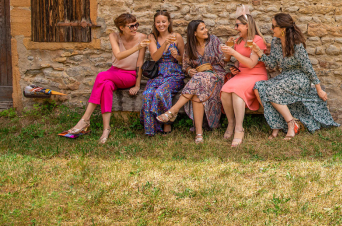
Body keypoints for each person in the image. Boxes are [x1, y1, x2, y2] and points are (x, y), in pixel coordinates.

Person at [252, 13, 339, 140]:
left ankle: (290, 125)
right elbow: (272, 64)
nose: (271, 29)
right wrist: (259, 52)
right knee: (258, 87)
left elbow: (308, 68)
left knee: (271, 90)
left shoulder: (296, 44)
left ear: (283, 29)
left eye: (274, 26)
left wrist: (319, 89)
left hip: (300, 78)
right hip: (285, 76)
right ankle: (277, 125)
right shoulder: (275, 42)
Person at [65, 13, 148, 144]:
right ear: (122, 27)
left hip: (129, 75)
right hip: (113, 73)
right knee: (106, 85)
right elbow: (119, 56)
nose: (135, 28)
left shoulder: (142, 37)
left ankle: (85, 119)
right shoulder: (114, 36)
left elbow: (139, 63)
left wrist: (137, 85)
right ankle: (106, 129)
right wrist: (138, 47)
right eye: (131, 26)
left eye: (136, 25)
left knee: (101, 76)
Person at [157, 20, 226, 143]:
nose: (206, 30)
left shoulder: (214, 40)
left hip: (216, 76)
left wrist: (228, 53)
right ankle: (199, 134)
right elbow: (185, 65)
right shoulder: (190, 46)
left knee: (198, 78)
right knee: (197, 94)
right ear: (194, 33)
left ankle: (173, 110)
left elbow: (223, 60)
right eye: (202, 29)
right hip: (199, 82)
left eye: (205, 28)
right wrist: (189, 71)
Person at [220, 12, 268, 147]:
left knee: (236, 92)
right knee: (225, 91)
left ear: (246, 26)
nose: (235, 28)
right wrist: (234, 66)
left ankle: (239, 129)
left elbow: (252, 63)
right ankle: (231, 123)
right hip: (242, 75)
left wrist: (234, 53)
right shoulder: (238, 41)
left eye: (237, 25)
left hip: (256, 75)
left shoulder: (257, 40)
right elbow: (237, 61)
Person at [140, 10, 186, 136]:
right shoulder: (152, 37)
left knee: (161, 92)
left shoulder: (177, 37)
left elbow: (184, 59)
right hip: (158, 74)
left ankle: (167, 123)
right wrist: (165, 43)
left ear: (168, 22)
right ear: (155, 24)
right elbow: (155, 57)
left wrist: (177, 56)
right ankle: (150, 128)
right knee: (148, 93)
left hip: (174, 74)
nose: (161, 24)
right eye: (158, 22)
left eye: (163, 22)